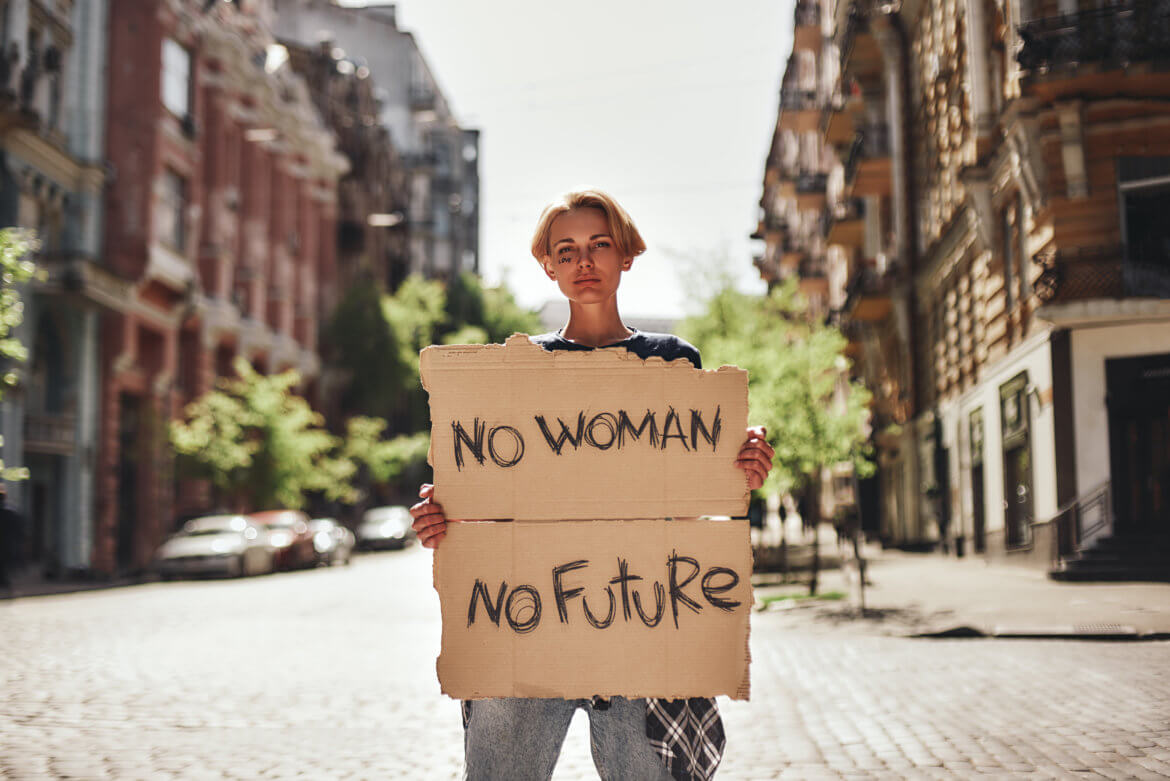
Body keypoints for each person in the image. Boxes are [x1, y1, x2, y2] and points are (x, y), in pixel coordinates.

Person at [410, 189, 775, 781]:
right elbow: (488, 501)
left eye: (600, 245)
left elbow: (693, 494)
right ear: (548, 266)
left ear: (626, 255)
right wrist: (443, 517)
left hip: (643, 621)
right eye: (567, 249)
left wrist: (739, 459)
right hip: (527, 626)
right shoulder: (517, 376)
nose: (585, 261)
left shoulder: (673, 362)